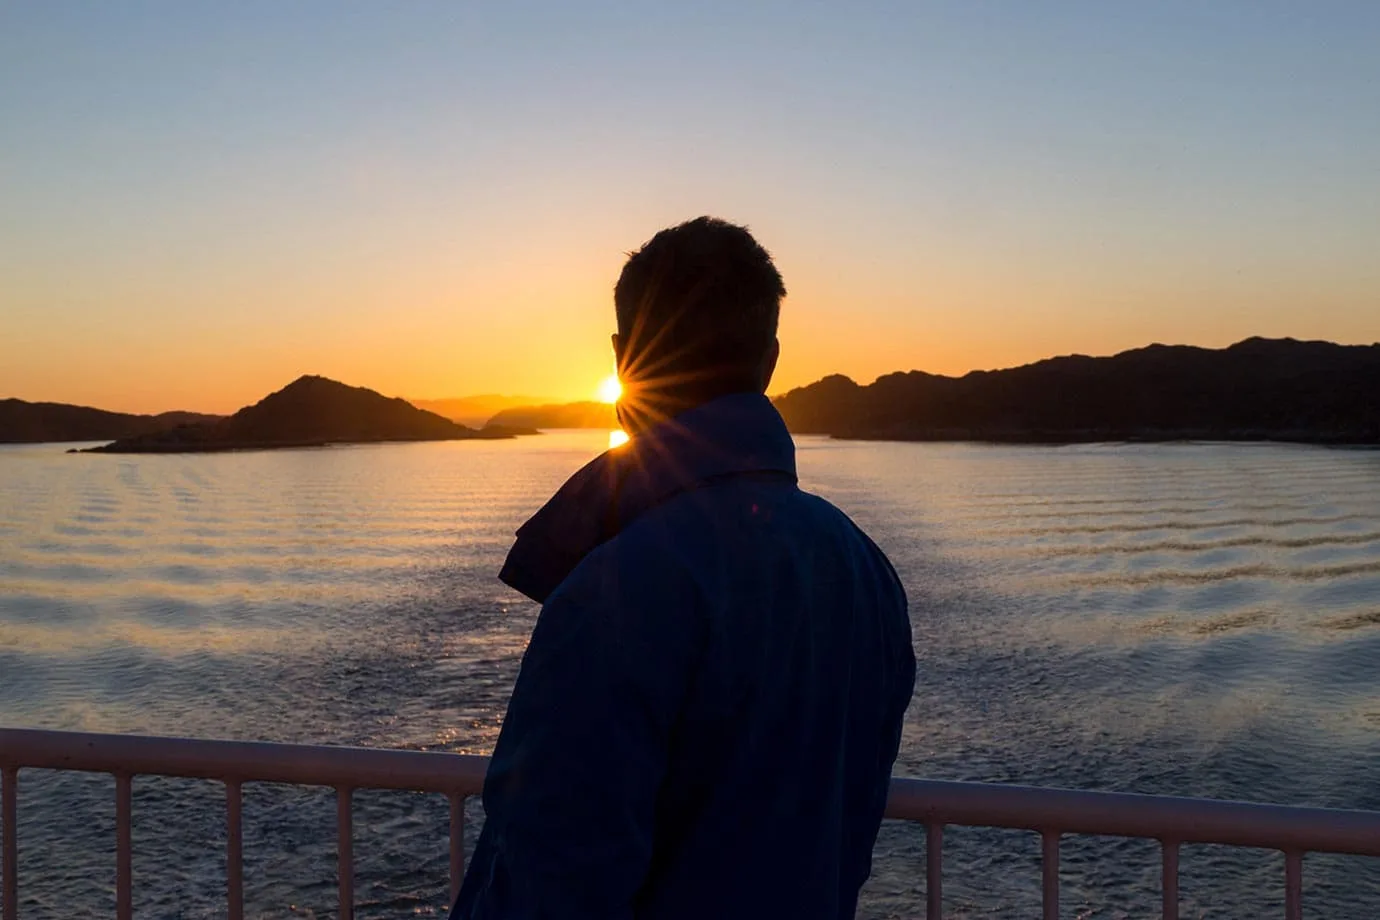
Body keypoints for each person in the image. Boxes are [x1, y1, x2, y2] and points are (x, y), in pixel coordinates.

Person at [451, 217, 915, 920]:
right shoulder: (866, 571)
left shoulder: (619, 588)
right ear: (771, 358)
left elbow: (554, 878)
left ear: (621, 357)